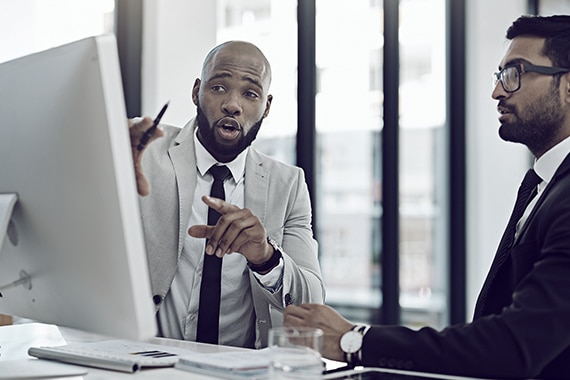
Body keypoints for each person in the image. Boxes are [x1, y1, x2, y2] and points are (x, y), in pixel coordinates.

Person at [284, 15, 570, 380]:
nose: (497, 92)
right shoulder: (542, 184)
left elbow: (516, 345)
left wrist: (354, 340)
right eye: (499, 77)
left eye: (515, 73)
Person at [129, 40, 325, 349]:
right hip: (148, 363)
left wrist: (266, 258)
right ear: (197, 91)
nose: (232, 104)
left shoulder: (288, 184)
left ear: (267, 106)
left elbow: (311, 300)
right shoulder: (144, 152)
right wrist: (106, 159)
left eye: (250, 93)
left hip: (237, 370)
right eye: (219, 87)